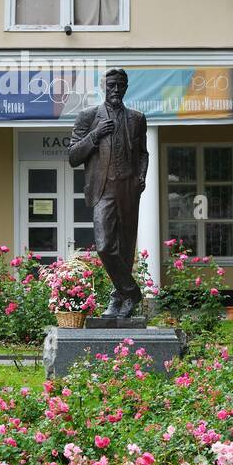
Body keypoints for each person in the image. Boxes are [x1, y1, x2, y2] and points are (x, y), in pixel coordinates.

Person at [67, 68, 148, 320]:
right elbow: (72, 156)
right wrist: (95, 134)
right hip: (104, 189)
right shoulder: (88, 116)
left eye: (120, 86)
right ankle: (131, 291)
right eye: (111, 85)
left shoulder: (137, 118)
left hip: (128, 188)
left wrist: (141, 177)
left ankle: (119, 299)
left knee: (125, 248)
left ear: (126, 88)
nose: (115, 90)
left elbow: (143, 154)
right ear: (104, 87)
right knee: (104, 246)